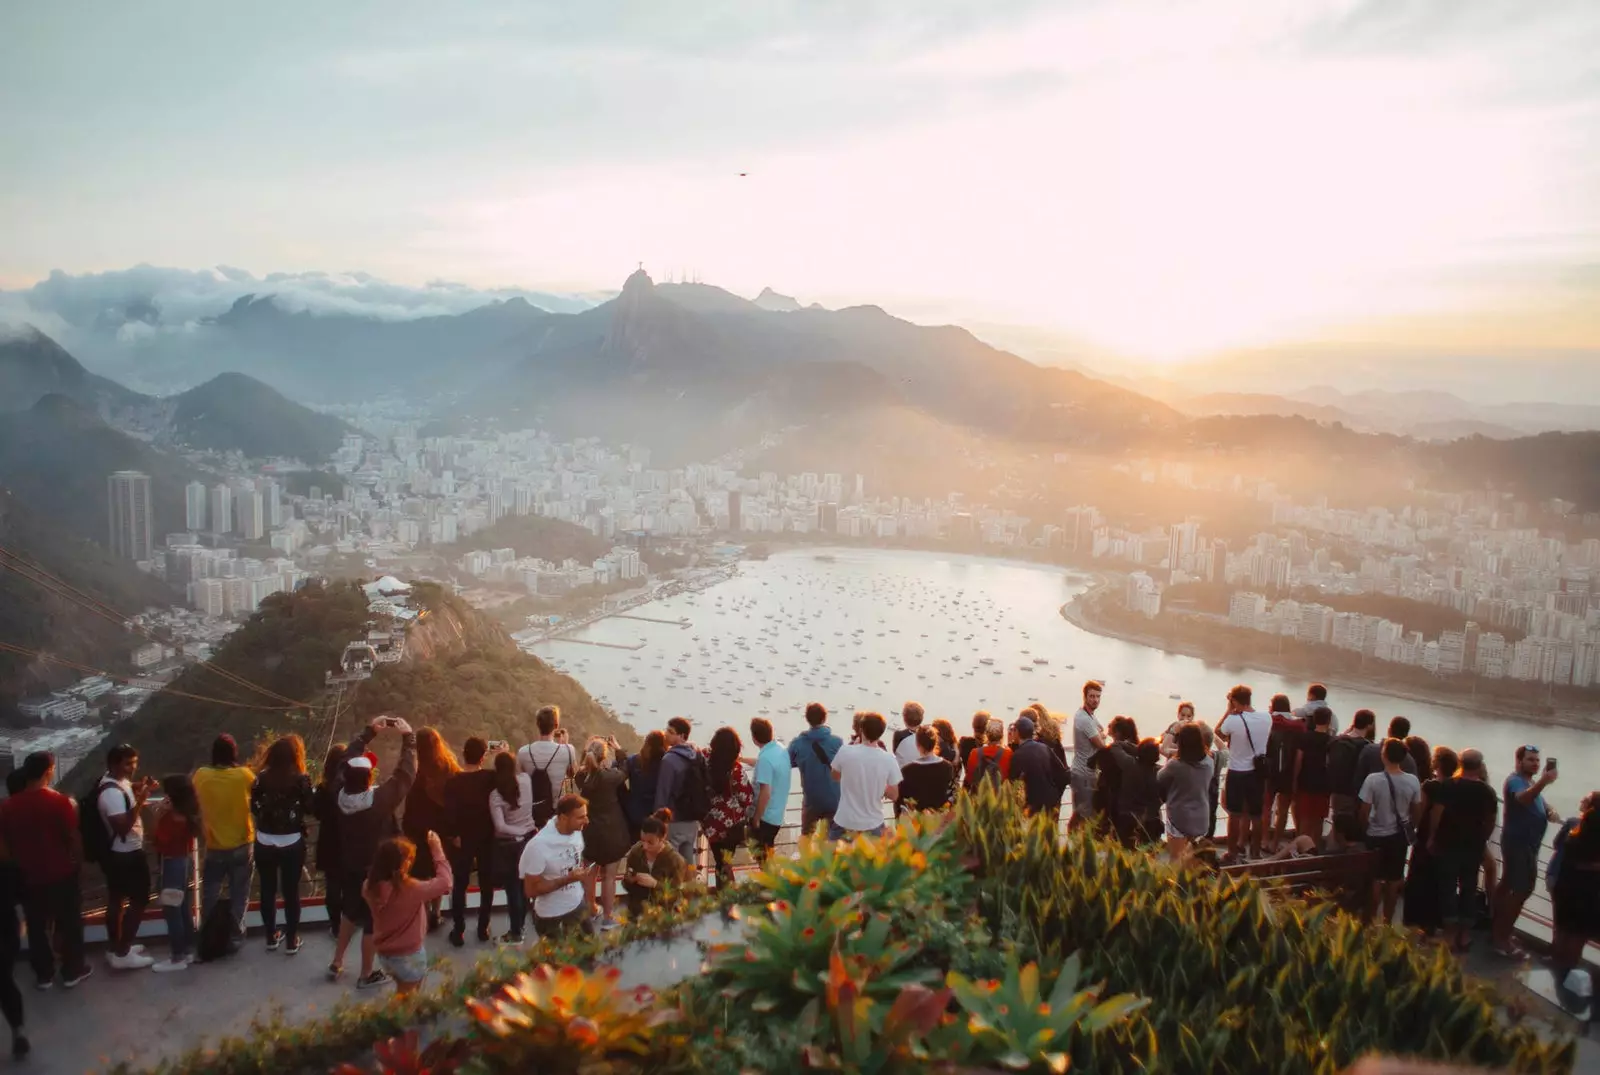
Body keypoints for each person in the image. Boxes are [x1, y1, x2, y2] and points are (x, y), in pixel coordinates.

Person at [330, 717, 416, 989]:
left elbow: (344, 761)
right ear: (370, 778)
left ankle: (337, 961)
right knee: (370, 922)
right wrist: (408, 737)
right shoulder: (378, 802)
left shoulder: (338, 794)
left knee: (349, 911)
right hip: (374, 869)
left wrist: (368, 733)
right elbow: (405, 774)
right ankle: (366, 974)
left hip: (349, 864)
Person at [0, 751, 90, 989]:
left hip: (28, 876)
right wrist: (77, 863)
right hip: (61, 873)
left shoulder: (7, 807)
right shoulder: (60, 802)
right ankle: (72, 970)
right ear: (49, 771)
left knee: (36, 927)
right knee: (69, 923)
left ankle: (44, 974)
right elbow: (72, 838)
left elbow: (4, 849)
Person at [1426, 748, 1499, 953]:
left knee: (1448, 888)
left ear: (1460, 763)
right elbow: (1491, 821)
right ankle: (1465, 935)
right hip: (1473, 847)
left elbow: (1437, 813)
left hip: (1448, 843)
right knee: (1469, 888)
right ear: (1480, 765)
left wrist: (1432, 836)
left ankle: (1449, 935)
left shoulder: (1449, 785)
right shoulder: (1487, 792)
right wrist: (1482, 838)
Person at [1491, 745, 1560, 959]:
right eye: (1531, 760)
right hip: (1518, 844)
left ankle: (1496, 928)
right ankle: (1501, 939)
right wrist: (1543, 782)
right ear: (1519, 761)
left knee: (1508, 885)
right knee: (1522, 890)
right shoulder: (1515, 781)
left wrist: (1549, 809)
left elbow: (1537, 800)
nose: (1536, 764)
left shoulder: (1529, 782)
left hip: (1528, 845)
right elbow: (1522, 799)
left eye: (1537, 761)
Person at [365, 833, 452, 995]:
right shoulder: (410, 889)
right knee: (409, 999)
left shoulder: (369, 887)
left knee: (402, 993)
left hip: (385, 954)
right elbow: (445, 882)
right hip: (409, 955)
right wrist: (437, 849)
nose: (410, 863)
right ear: (400, 864)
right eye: (408, 859)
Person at [250, 734, 314, 954]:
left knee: (267, 889)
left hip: (264, 840)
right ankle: (292, 940)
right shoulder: (301, 778)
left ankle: (271, 936)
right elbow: (310, 807)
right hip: (292, 840)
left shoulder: (261, 778)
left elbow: (255, 807)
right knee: (290, 891)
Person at [194, 733, 256, 948]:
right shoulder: (245, 776)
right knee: (240, 894)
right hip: (241, 844)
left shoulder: (201, 775)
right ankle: (236, 936)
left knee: (210, 894)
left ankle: (209, 936)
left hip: (214, 846)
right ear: (234, 753)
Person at [99, 744, 157, 969]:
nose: (132, 768)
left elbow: (125, 789)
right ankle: (123, 952)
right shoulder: (111, 793)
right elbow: (122, 827)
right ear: (114, 764)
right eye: (127, 764)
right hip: (127, 853)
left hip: (120, 853)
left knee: (117, 898)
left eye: (134, 763)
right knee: (139, 899)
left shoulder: (113, 782)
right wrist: (142, 798)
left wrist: (138, 787)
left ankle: (116, 947)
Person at [1358, 738, 1424, 924]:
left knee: (1375, 879)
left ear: (1384, 755)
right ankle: (1388, 922)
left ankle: (1370, 921)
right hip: (1399, 837)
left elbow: (1364, 810)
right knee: (1394, 879)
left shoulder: (1373, 780)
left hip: (1375, 834)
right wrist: (1411, 826)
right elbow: (1416, 811)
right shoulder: (1412, 781)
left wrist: (1365, 829)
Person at [402, 728, 459, 935]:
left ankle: (425, 916)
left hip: (418, 831)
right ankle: (437, 912)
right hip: (441, 832)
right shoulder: (449, 767)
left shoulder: (416, 772)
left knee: (421, 875)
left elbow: (411, 805)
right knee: (439, 870)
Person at [443, 737, 497, 948]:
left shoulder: (453, 781)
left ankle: (458, 930)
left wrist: (453, 835)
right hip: (486, 836)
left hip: (462, 838)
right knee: (486, 883)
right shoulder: (490, 778)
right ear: (483, 756)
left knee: (460, 884)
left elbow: (448, 814)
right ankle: (483, 927)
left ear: (463, 754)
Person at [520, 793, 595, 938]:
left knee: (589, 955)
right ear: (563, 818)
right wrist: (567, 879)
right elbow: (531, 890)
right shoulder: (538, 846)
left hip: (578, 905)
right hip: (551, 916)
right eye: (580, 817)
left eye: (585, 815)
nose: (586, 820)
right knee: (559, 961)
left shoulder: (576, 832)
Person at [1549, 791, 1600, 997]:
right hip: (1587, 894)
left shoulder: (1573, 834)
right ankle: (1565, 977)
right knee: (1577, 937)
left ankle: (1557, 971)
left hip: (1566, 887)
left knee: (1563, 932)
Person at [149, 773, 201, 972]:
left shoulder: (170, 819)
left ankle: (177, 956)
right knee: (183, 907)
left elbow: (158, 841)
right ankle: (188, 950)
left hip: (171, 864)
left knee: (172, 909)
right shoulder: (188, 816)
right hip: (185, 862)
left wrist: (157, 816)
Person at [1404, 746, 1458, 935]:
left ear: (1437, 764)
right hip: (1447, 837)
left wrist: (1414, 829)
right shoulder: (1456, 787)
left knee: (1419, 878)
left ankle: (1416, 922)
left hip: (1427, 835)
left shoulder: (1430, 786)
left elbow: (1420, 810)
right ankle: (1434, 922)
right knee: (1438, 880)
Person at [577, 737, 629, 931]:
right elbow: (625, 770)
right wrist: (619, 749)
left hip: (590, 830)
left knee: (590, 874)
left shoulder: (581, 777)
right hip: (612, 830)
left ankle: (591, 909)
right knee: (609, 876)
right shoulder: (610, 777)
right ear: (603, 757)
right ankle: (608, 918)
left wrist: (585, 752)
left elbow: (584, 767)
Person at [1216, 685, 1272, 861]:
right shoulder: (1266, 717)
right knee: (1256, 814)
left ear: (1234, 701)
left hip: (1237, 771)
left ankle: (1232, 852)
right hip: (1257, 772)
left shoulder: (1233, 720)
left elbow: (1218, 733)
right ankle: (1255, 852)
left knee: (1234, 814)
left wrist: (1228, 710)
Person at [828, 712, 902, 839]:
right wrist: (879, 784)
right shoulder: (889, 759)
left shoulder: (845, 751)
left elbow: (835, 776)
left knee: (834, 858)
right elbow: (894, 795)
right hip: (873, 823)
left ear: (861, 729)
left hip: (844, 821)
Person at [489, 750, 537, 943]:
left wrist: (516, 832)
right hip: (529, 838)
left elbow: (499, 826)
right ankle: (522, 925)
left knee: (512, 888)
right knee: (524, 885)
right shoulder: (526, 780)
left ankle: (516, 932)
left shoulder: (496, 794)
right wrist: (524, 831)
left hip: (510, 845)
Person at [701, 727, 753, 890]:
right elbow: (747, 798)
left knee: (720, 860)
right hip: (731, 825)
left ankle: (724, 895)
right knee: (725, 861)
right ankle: (728, 897)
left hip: (710, 822)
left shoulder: (704, 759)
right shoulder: (736, 770)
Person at [1158, 724, 1214, 861]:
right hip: (1201, 818)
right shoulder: (1209, 762)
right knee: (1194, 860)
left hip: (1179, 818)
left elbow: (1159, 778)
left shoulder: (1175, 765)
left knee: (1176, 859)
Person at [0, 772, 27, 1057]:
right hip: (6, 925)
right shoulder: (7, 866)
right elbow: (22, 895)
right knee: (5, 981)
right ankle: (18, 1030)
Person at [621, 809, 690, 917]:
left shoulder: (675, 860)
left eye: (650, 842)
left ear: (662, 838)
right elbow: (627, 885)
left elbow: (678, 893)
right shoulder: (636, 852)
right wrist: (629, 880)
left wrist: (655, 884)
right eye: (642, 840)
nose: (645, 846)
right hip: (637, 912)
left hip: (664, 915)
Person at [517, 705, 577, 828]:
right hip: (555, 814)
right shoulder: (568, 750)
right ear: (556, 726)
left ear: (538, 725)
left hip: (530, 813)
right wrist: (564, 744)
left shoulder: (523, 752)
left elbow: (519, 780)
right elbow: (572, 774)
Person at [311, 744, 349, 937]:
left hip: (329, 841)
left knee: (332, 884)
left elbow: (316, 813)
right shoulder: (351, 788)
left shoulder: (322, 789)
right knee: (352, 882)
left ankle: (335, 925)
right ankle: (352, 921)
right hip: (350, 840)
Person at [655, 718, 704, 863]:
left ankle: (675, 887)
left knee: (671, 863)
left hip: (674, 819)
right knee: (689, 861)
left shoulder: (669, 760)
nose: (666, 734)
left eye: (671, 732)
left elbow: (663, 791)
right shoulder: (696, 755)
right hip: (692, 817)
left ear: (682, 736)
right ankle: (693, 886)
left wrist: (658, 819)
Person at [1261, 694, 1304, 852]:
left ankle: (1264, 840)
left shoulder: (1268, 722)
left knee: (1266, 807)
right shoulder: (1298, 725)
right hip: (1288, 771)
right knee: (1283, 809)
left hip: (1270, 771)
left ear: (1273, 706)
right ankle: (1275, 842)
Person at [1009, 716, 1069, 819]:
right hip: (1050, 803)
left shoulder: (1017, 755)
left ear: (1018, 732)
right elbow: (1062, 774)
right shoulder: (1044, 748)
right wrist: (1056, 795)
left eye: (1014, 730)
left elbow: (1014, 784)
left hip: (1031, 807)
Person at [1291, 706, 1334, 843]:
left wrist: (1295, 780)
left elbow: (1298, 759)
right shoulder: (1332, 741)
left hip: (1305, 781)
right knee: (1319, 819)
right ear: (1329, 721)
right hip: (1323, 784)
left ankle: (1301, 848)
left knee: (1304, 817)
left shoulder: (1305, 737)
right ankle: (1314, 848)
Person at [1069, 681, 1107, 828]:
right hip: (1084, 773)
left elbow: (1101, 730)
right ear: (1084, 697)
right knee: (1085, 814)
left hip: (1084, 772)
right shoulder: (1084, 719)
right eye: (1092, 696)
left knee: (1079, 812)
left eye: (1098, 697)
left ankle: (1073, 844)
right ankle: (1078, 846)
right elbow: (1101, 745)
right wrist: (1101, 736)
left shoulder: (1087, 715)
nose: (1095, 700)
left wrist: (1101, 734)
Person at [1327, 709, 1376, 819]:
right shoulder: (1366, 746)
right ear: (1369, 725)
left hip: (1336, 792)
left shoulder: (1338, 741)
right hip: (1355, 794)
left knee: (1338, 822)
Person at [750, 717, 791, 851]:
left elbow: (765, 793)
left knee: (762, 857)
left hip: (766, 817)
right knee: (767, 854)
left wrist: (756, 818)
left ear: (754, 738)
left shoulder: (765, 759)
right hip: (777, 814)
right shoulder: (780, 750)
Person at [1095, 716, 1140, 831]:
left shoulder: (1113, 751)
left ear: (1117, 732)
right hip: (1128, 798)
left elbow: (1094, 763)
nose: (1108, 726)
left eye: (1111, 725)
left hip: (1112, 797)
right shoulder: (1133, 749)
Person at [898, 726, 956, 812]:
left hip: (916, 821)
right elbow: (951, 796)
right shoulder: (947, 767)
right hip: (940, 819)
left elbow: (902, 801)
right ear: (935, 743)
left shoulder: (907, 770)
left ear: (918, 745)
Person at [623, 730, 667, 842]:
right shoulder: (665, 763)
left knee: (637, 847)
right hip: (655, 813)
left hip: (634, 812)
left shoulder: (634, 761)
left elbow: (619, 774)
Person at [964, 717, 1012, 790]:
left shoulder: (975, 753)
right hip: (1000, 798)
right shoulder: (1008, 753)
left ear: (986, 734)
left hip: (980, 795)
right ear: (1002, 735)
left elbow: (969, 779)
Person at [892, 701, 924, 766]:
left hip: (902, 770)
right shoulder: (927, 735)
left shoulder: (898, 735)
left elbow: (895, 752)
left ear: (904, 718)